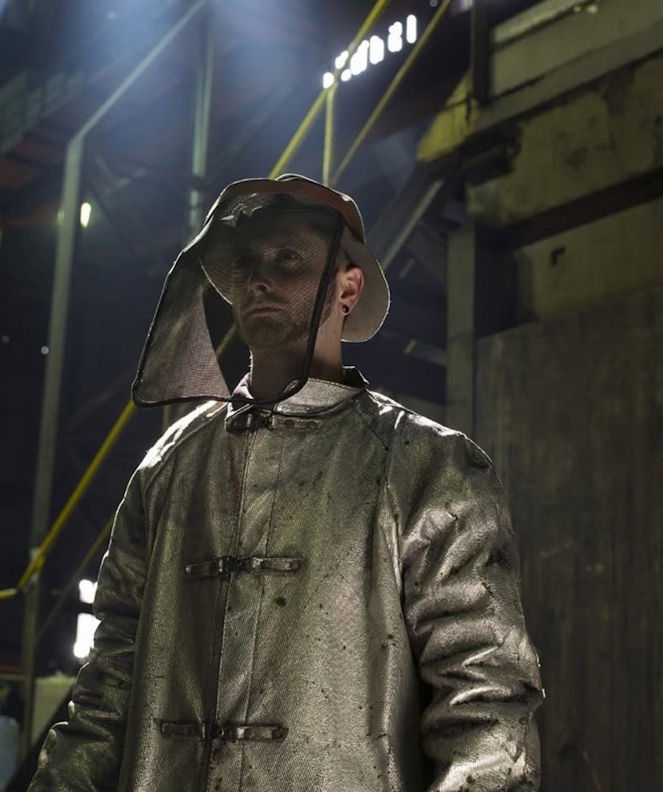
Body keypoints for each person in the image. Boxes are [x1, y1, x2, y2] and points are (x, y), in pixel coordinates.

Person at [28, 174, 544, 791]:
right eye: (246, 263)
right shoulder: (169, 468)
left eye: (287, 259)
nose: (258, 279)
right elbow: (107, 685)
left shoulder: (428, 468)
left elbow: (486, 710)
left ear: (347, 287)